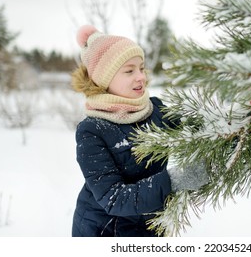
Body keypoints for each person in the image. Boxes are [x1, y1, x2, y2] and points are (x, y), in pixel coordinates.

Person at [71, 25, 208, 237]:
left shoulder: (155, 110)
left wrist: (238, 119)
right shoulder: (92, 130)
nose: (141, 77)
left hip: (150, 226)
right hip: (106, 230)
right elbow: (114, 197)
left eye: (141, 68)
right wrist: (174, 180)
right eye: (129, 71)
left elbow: (195, 129)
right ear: (104, 80)